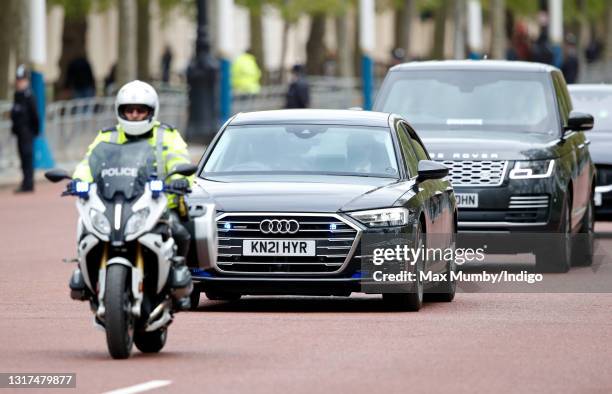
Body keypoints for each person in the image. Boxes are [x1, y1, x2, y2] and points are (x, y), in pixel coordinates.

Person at [71, 80, 193, 258]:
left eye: (140, 110)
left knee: (179, 232)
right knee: (87, 228)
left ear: (152, 111)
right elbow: (88, 163)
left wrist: (180, 180)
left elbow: (179, 162)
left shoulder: (167, 136)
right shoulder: (108, 136)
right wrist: (79, 180)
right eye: (129, 110)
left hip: (159, 204)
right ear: (120, 111)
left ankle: (178, 271)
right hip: (114, 202)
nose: (134, 115)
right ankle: (84, 274)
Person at [10, 65, 40, 193]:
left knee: (28, 157)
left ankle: (29, 183)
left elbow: (35, 115)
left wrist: (35, 131)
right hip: (20, 133)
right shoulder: (17, 95)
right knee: (22, 157)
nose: (19, 83)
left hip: (28, 132)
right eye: (18, 80)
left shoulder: (29, 95)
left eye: (21, 80)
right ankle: (25, 182)